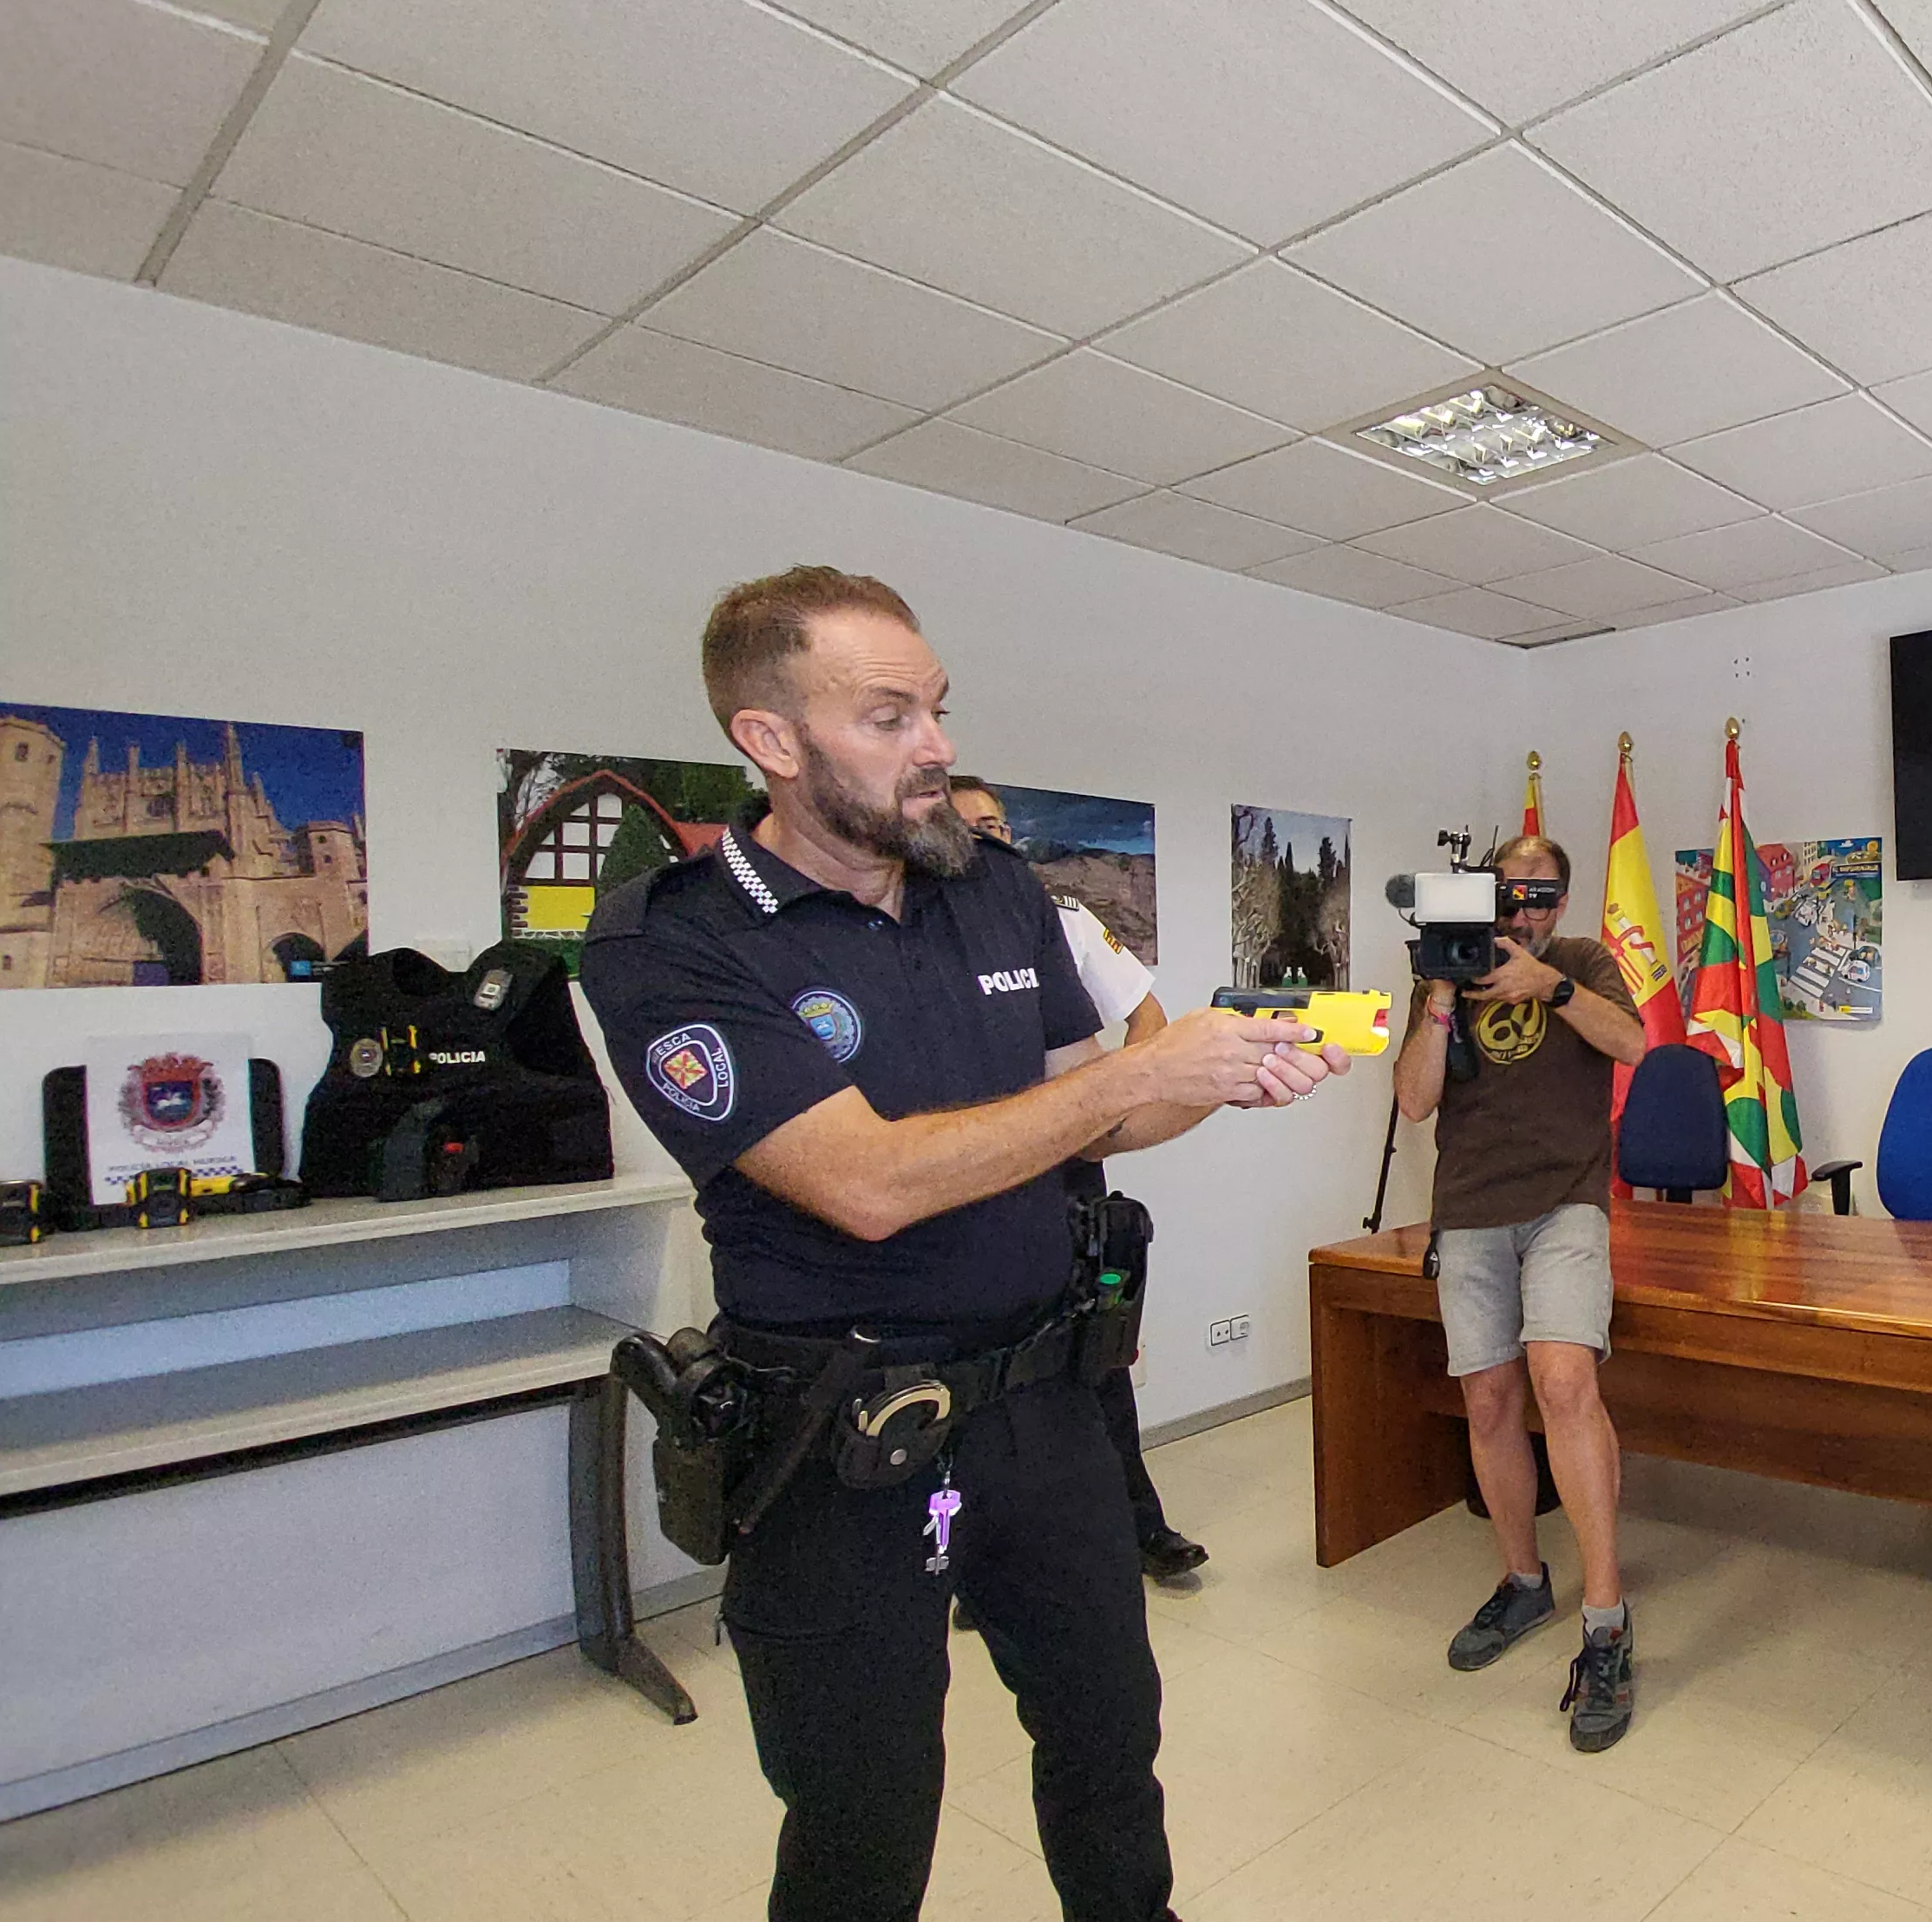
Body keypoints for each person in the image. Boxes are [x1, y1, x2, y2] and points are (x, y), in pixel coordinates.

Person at [582, 567, 1346, 1922]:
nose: (935, 745)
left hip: (1045, 1409)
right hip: (843, 1438)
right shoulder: (676, 947)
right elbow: (864, 1184)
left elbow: (1085, 1123)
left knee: (1112, 1739)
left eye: (935, 708)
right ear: (771, 740)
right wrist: (1127, 1076)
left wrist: (1222, 1076)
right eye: (888, 717)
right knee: (865, 1815)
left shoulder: (986, 888)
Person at [1390, 832, 1649, 1750]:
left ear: (1562, 903)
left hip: (1565, 1204)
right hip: (1468, 1208)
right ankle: (1524, 1581)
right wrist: (1437, 999)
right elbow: (1414, 1101)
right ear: (1484, 897)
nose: (1524, 912)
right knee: (1488, 1396)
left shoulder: (1581, 959)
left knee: (1564, 1379)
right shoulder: (1443, 968)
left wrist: (1556, 990)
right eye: (1510, 894)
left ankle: (1608, 1621)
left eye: (1542, 896)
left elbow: (1637, 1042)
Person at [947, 777, 1209, 1584]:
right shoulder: (911, 940)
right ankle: (973, 1555)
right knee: (970, 1377)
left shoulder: (1060, 922)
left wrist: (1108, 1096)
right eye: (973, 829)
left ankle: (1139, 1529)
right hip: (965, 1183)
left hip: (1068, 1179)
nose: (993, 840)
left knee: (1096, 1355)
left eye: (1000, 825)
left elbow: (1149, 1019)